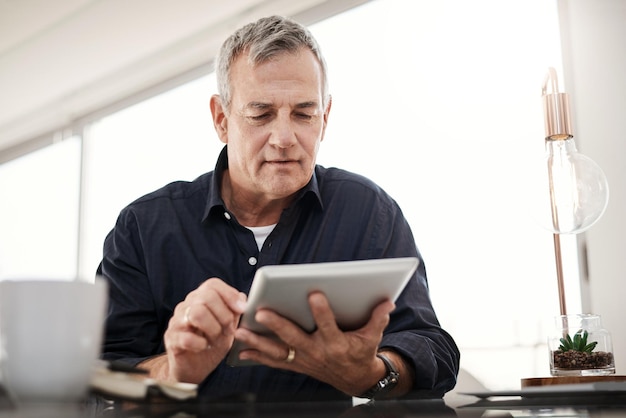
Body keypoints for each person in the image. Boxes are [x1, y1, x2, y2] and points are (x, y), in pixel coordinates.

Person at [98, 15, 459, 402]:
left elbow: (432, 350)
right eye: (261, 115)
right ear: (222, 119)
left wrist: (372, 373)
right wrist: (174, 371)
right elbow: (101, 376)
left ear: (325, 118)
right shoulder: (142, 227)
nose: (285, 138)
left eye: (304, 114)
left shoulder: (369, 212)